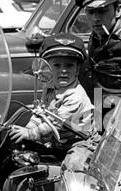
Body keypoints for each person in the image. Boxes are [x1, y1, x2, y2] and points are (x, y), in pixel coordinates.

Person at [9, 32, 96, 163]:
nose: (63, 70)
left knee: (72, 166)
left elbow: (55, 123)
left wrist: (29, 134)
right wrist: (27, 128)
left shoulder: (75, 96)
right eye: (57, 65)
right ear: (47, 68)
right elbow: (41, 113)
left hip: (79, 141)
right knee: (15, 144)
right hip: (58, 140)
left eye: (69, 65)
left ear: (78, 69)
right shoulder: (50, 86)